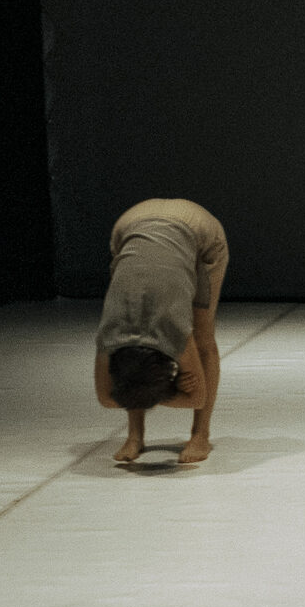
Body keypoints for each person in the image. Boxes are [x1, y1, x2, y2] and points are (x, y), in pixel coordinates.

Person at [93, 198, 229, 463]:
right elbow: (106, 398)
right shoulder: (109, 337)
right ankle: (135, 436)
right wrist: (166, 393)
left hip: (197, 228)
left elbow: (197, 398)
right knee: (133, 379)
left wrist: (155, 394)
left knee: (203, 338)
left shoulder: (175, 331)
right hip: (130, 227)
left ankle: (200, 435)